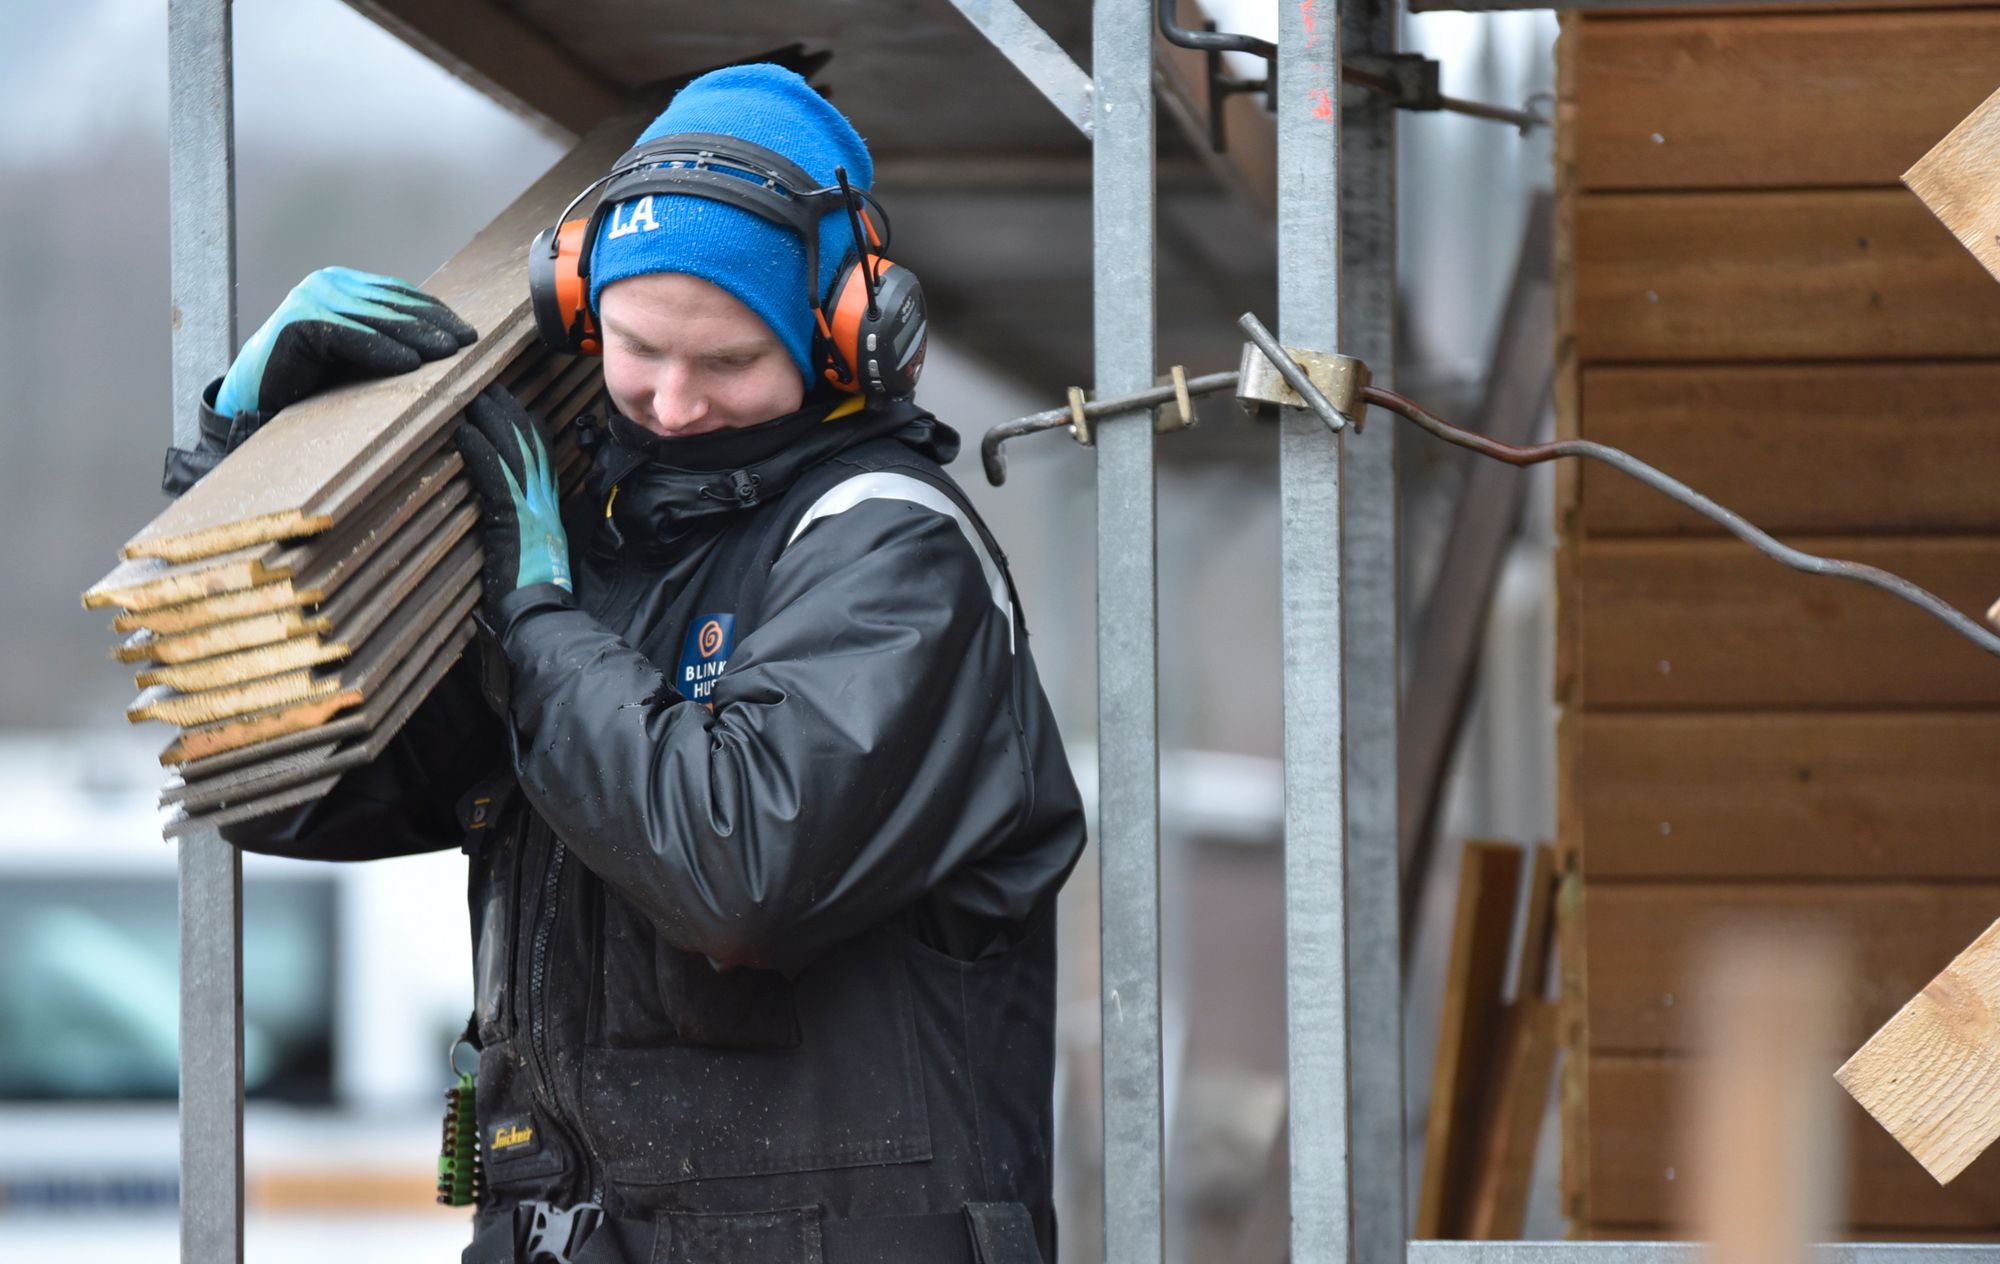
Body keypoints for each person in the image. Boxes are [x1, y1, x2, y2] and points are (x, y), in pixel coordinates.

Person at [167, 63, 1085, 1264]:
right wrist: (246, 469)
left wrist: (542, 621)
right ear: (580, 311)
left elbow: (738, 867)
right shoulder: (573, 534)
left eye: (727, 361)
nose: (670, 400)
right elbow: (295, 791)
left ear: (845, 336)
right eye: (642, 349)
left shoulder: (890, 547)